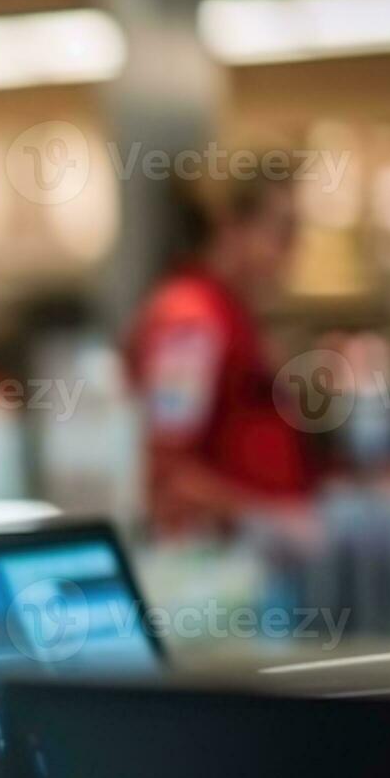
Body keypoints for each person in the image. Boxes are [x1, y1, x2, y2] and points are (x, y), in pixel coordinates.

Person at [126, 173, 313, 533]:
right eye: (283, 233)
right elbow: (167, 467)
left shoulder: (233, 314)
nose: (293, 253)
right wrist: (271, 519)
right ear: (230, 227)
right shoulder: (190, 321)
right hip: (213, 565)